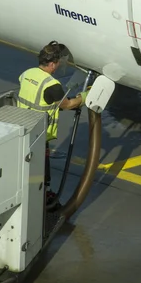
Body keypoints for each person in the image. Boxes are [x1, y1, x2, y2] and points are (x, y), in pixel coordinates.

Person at [15, 41, 89, 206]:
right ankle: (42, 200)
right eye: (56, 64)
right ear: (51, 64)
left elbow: (35, 98)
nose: (57, 67)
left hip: (22, 126)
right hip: (40, 133)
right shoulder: (52, 85)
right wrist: (83, 97)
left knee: (27, 167)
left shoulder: (26, 73)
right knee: (42, 171)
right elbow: (67, 105)